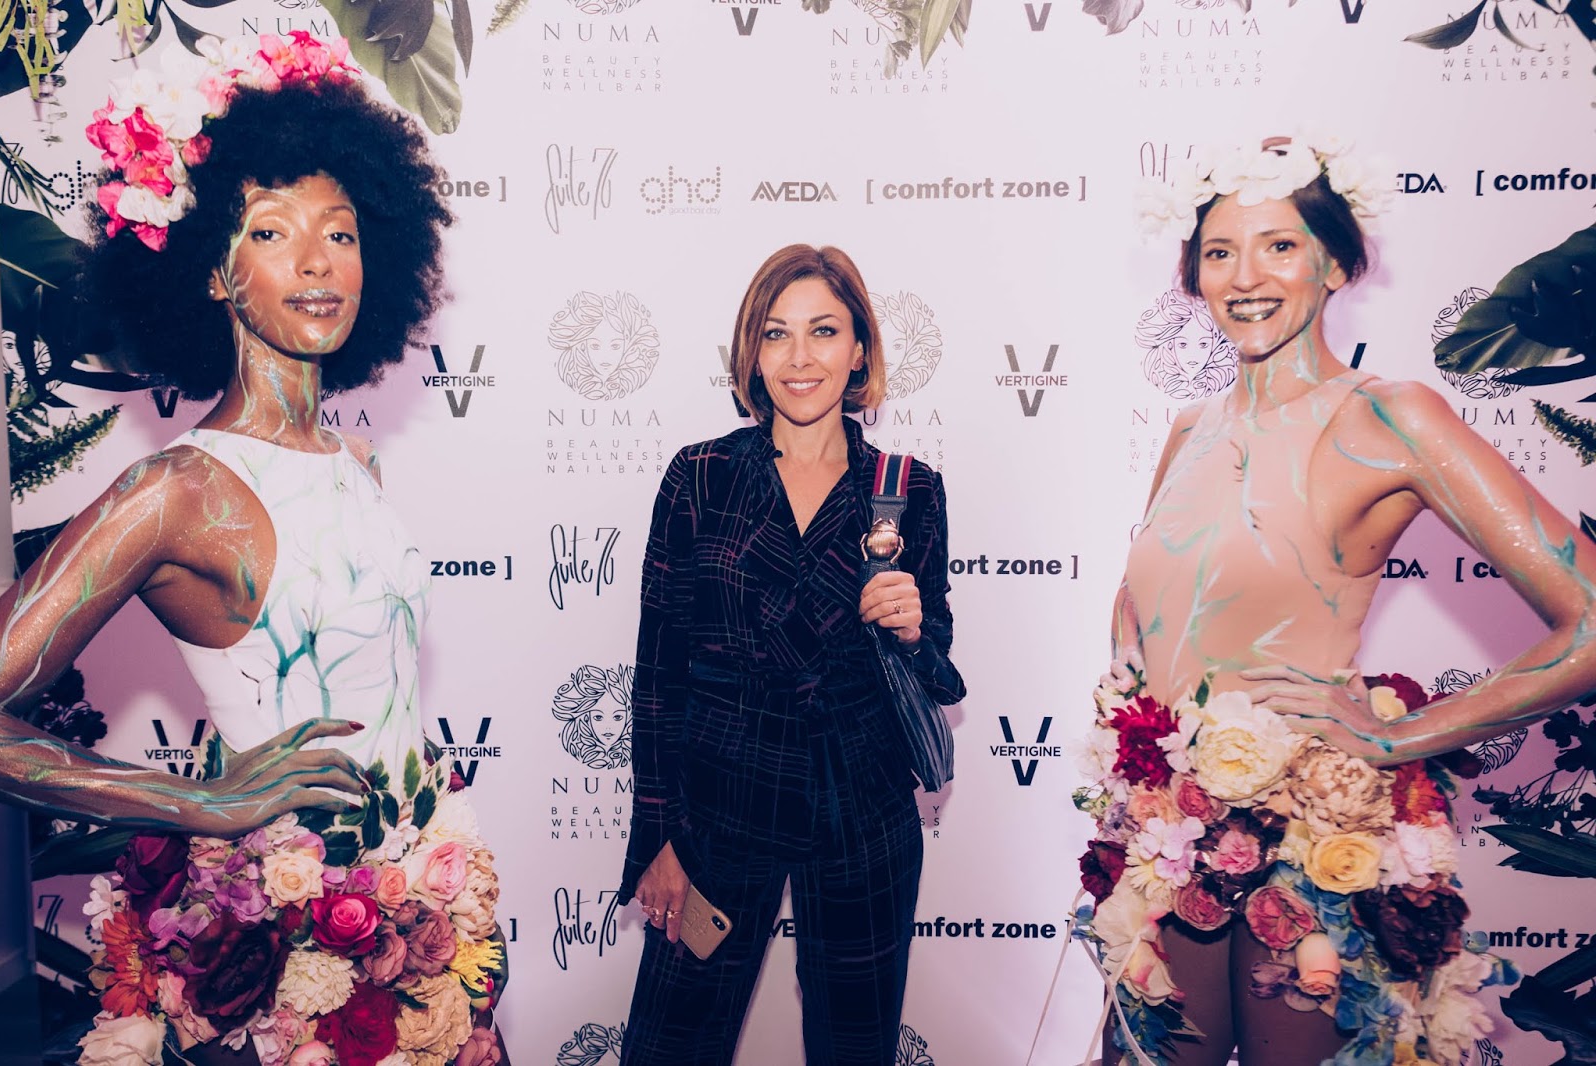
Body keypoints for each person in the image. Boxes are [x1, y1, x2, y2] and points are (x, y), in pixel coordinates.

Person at [0, 34, 504, 1065]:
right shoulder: (178, 490)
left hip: (418, 919)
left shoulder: (353, 460)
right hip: (285, 957)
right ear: (212, 272)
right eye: (271, 231)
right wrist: (197, 801)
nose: (317, 262)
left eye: (340, 232)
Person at [1081, 136, 1595, 1066]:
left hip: (1314, 852)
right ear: (1193, 275)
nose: (1246, 277)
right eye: (1220, 252)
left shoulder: (1389, 416)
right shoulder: (1189, 429)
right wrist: (1132, 738)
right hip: (1169, 842)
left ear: (1336, 264)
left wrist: (1398, 738)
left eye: (1279, 245)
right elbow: (1144, 608)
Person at [617, 244, 966, 1066]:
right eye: (777, 333)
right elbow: (658, 675)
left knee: (855, 1051)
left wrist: (914, 630)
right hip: (718, 815)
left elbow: (938, 667)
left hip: (863, 815)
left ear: (860, 350)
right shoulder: (701, 476)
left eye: (824, 331)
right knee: (668, 1050)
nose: (800, 357)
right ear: (752, 352)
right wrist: (658, 838)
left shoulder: (907, 487)